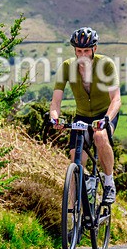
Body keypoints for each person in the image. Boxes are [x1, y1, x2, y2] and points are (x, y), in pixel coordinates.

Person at [50, 27, 121, 204]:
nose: (82, 54)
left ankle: (109, 182)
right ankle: (76, 212)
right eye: (79, 51)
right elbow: (56, 100)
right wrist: (55, 117)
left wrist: (106, 119)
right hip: (82, 116)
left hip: (105, 114)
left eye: (86, 51)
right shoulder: (67, 67)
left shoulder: (106, 65)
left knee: (99, 136)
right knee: (76, 158)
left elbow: (116, 99)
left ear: (94, 49)